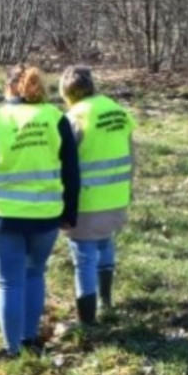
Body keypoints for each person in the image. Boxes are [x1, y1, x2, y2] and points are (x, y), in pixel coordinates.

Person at [0, 65, 80, 357]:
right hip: (45, 217)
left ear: (8, 89)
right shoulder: (56, 119)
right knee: (34, 274)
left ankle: (12, 350)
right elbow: (71, 172)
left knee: (8, 283)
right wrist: (70, 214)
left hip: (2, 217)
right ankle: (30, 341)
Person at [58, 65, 136, 324]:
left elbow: (63, 162)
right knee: (105, 245)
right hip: (116, 196)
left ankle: (87, 322)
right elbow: (130, 153)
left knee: (84, 257)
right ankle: (106, 301)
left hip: (86, 201)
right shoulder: (118, 112)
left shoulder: (74, 118)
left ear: (67, 94)